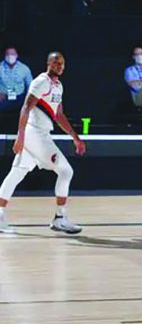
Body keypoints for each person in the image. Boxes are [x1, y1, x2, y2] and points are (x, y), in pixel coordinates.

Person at [0, 52, 86, 234]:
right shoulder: (41, 82)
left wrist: (75, 137)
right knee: (66, 170)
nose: (59, 66)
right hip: (35, 134)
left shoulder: (58, 86)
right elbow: (26, 107)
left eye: (62, 63)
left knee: (16, 173)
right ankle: (60, 218)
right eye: (56, 62)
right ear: (48, 63)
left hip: (40, 134)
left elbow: (58, 115)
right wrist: (20, 135)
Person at [0, 47, 33, 112]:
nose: (10, 56)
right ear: (5, 56)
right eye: (8, 54)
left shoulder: (24, 68)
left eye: (12, 54)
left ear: (16, 55)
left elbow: (30, 86)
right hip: (3, 98)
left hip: (19, 98)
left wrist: (28, 100)